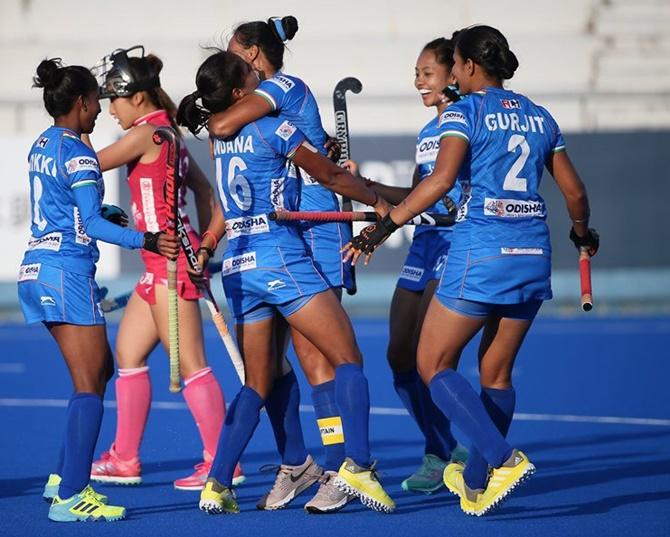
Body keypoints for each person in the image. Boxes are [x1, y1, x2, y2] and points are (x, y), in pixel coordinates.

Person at [344, 25, 599, 516]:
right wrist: (583, 234)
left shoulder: (464, 112)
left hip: (482, 251)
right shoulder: (541, 116)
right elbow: (575, 194)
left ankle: (502, 459)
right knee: (497, 374)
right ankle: (478, 481)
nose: (454, 72)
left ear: (470, 67)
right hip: (533, 253)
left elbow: (440, 181)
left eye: (455, 64)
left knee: (431, 363)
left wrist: (381, 229)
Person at [177, 50, 396, 514]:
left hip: (239, 265)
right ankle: (357, 463)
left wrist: (206, 244)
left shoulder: (222, 141)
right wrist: (378, 204)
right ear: (240, 93)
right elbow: (330, 175)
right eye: (251, 77)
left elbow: (226, 203)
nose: (259, 79)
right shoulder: (268, 127)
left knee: (257, 381)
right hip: (280, 259)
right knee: (347, 358)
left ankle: (217, 483)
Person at [20, 58, 178, 522]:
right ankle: (72, 494)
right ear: (80, 102)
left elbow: (66, 205)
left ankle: (62, 476)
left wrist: (99, 213)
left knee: (98, 372)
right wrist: (145, 240)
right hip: (66, 272)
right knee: (91, 383)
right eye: (95, 101)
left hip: (36, 269)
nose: (100, 109)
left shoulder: (42, 143)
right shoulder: (80, 153)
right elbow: (88, 222)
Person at [207, 16, 353, 512]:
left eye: (232, 52)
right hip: (282, 229)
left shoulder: (279, 89)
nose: (229, 61)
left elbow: (220, 123)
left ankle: (339, 466)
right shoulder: (256, 112)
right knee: (273, 365)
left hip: (315, 223)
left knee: (318, 358)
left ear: (251, 57)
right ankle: (297, 462)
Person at [85, 46, 244, 491]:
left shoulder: (145, 134)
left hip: (171, 263)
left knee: (192, 363)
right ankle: (125, 458)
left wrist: (67, 136)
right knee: (130, 355)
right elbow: (206, 193)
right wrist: (204, 246)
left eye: (111, 101)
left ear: (136, 98)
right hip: (162, 261)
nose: (108, 110)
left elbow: (86, 165)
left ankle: (222, 462)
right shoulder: (167, 133)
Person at [344, 37, 468, 495]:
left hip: (458, 245)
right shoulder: (425, 133)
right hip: (425, 245)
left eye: (427, 73)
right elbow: (415, 199)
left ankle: (465, 453)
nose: (418, 81)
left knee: (431, 358)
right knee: (399, 355)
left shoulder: (467, 123)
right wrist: (365, 187)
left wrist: (383, 220)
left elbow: (447, 196)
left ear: (453, 75)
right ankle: (442, 447)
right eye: (416, 73)